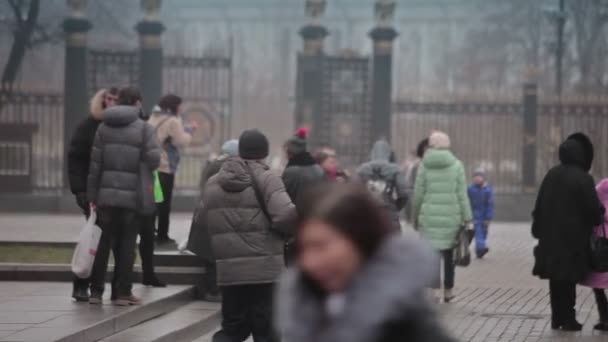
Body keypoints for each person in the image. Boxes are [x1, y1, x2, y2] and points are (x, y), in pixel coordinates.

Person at [275, 183, 455, 342]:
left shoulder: (405, 324)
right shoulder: (307, 308)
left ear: (359, 241)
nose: (309, 262)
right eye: (304, 248)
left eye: (321, 246)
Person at [200, 129, 295, 342]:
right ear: (264, 152)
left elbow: (203, 218)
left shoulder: (214, 181)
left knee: (233, 328)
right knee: (267, 330)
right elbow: (286, 215)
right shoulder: (268, 178)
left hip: (230, 269)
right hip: (265, 269)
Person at [87, 86, 161, 306]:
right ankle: (122, 292)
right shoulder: (144, 129)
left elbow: (95, 166)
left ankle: (95, 292)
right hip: (132, 197)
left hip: (105, 197)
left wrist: (92, 195)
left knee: (102, 244)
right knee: (127, 244)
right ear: (137, 103)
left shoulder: (103, 127)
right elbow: (154, 160)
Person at [532, 132, 604, 331]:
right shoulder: (584, 179)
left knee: (556, 279)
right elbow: (592, 210)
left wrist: (537, 230)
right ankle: (569, 318)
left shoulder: (552, 174)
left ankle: (557, 318)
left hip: (551, 238)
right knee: (569, 279)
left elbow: (539, 205)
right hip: (574, 240)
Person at [67, 87, 118, 302]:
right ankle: (81, 284)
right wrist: (79, 189)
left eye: (116, 99)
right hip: (92, 192)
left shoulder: (123, 125)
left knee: (111, 242)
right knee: (93, 240)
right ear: (102, 100)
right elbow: (75, 158)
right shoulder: (88, 125)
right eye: (108, 98)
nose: (112, 102)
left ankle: (103, 287)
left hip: (116, 192)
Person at [413, 131, 472, 303]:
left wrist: (415, 216)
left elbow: (418, 194)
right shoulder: (457, 165)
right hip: (451, 218)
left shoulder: (424, 165)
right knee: (449, 256)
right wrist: (468, 218)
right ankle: (448, 290)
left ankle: (433, 291)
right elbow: (462, 194)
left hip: (429, 218)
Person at [187, 139, 239, 301]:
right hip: (213, 219)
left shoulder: (214, 164)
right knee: (213, 258)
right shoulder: (222, 168)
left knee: (212, 257)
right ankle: (212, 291)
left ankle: (213, 290)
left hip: (208, 217)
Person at [148, 94, 197, 243]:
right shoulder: (173, 121)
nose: (181, 108)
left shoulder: (153, 117)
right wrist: (191, 131)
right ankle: (162, 235)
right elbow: (182, 141)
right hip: (165, 166)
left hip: (152, 165)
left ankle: (150, 233)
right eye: (179, 105)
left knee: (155, 200)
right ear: (174, 106)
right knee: (164, 203)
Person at [137, 105, 166, 288]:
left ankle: (147, 274)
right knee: (145, 238)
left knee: (145, 238)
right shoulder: (146, 135)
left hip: (147, 192)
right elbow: (155, 160)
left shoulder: (146, 134)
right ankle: (148, 274)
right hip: (145, 194)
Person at [356, 138, 408, 232]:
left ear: (373, 152)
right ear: (388, 153)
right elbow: (403, 193)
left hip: (368, 213)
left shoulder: (362, 169)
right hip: (389, 212)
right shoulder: (395, 169)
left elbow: (355, 192)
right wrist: (395, 206)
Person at [580, 178, 608, 331]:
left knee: (599, 285)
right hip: (603, 239)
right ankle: (605, 318)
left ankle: (605, 318)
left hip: (601, 240)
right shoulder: (602, 187)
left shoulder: (601, 188)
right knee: (600, 284)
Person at [282, 127, 325, 203]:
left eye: (286, 152)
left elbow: (283, 197)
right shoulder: (318, 169)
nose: (285, 156)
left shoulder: (291, 171)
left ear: (291, 152)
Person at [467, 169, 494, 259]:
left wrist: (489, 217)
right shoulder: (470, 189)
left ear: (483, 178)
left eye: (479, 177)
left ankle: (479, 251)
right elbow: (466, 201)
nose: (477, 179)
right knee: (478, 232)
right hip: (474, 215)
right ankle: (481, 248)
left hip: (484, 215)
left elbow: (490, 204)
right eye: (475, 177)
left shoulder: (487, 190)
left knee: (484, 232)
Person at [404, 138, 429, 223]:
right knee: (408, 204)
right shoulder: (408, 163)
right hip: (408, 186)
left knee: (412, 204)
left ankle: (411, 219)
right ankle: (409, 219)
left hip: (413, 187)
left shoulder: (418, 164)